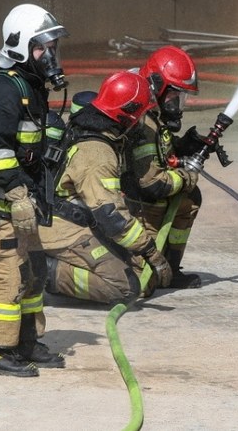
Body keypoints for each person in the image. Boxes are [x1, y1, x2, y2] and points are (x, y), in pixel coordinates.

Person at [0, 3, 69, 376]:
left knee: (34, 269)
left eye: (52, 47)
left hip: (23, 197)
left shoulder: (31, 85)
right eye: (42, 47)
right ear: (21, 46)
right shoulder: (3, 87)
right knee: (9, 271)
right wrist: (16, 194)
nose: (50, 55)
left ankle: (26, 340)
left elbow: (31, 139)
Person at [40, 71, 172, 304]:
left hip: (79, 221)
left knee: (144, 278)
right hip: (64, 230)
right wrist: (150, 251)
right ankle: (42, 270)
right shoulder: (98, 154)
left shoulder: (93, 127)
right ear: (126, 115)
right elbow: (111, 216)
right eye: (140, 116)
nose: (141, 123)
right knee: (127, 287)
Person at [129, 45, 203, 288]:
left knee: (190, 198)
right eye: (174, 96)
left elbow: (159, 154)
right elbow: (152, 184)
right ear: (157, 86)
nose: (178, 105)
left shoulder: (150, 109)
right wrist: (187, 176)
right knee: (143, 284)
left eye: (182, 98)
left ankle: (171, 269)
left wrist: (183, 147)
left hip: (137, 193)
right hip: (131, 201)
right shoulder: (143, 119)